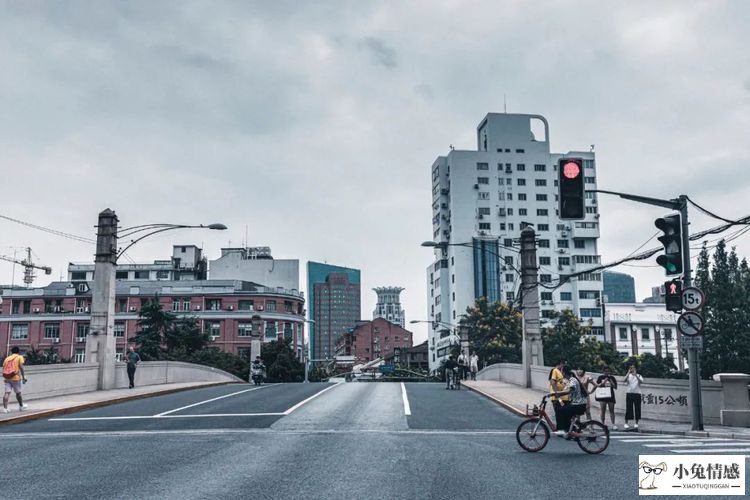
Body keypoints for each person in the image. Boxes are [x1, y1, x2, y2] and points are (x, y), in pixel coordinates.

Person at [551, 366, 587, 437]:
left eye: (561, 372)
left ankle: (561, 429)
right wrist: (557, 394)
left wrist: (556, 393)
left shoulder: (573, 380)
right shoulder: (569, 381)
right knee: (564, 411)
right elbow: (564, 390)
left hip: (578, 405)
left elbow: (568, 391)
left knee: (559, 411)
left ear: (564, 373)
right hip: (576, 404)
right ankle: (570, 429)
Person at [2, 347, 28, 413]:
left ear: (11, 352)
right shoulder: (19, 357)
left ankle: (5, 408)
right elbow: (21, 367)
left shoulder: (7, 358)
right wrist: (23, 377)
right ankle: (21, 406)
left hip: (7, 377)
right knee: (18, 393)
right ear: (18, 351)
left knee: (7, 393)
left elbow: (4, 368)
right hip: (15, 377)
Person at [596, 365, 618, 430]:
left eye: (608, 371)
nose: (607, 372)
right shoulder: (600, 377)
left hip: (610, 396)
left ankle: (613, 424)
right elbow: (598, 385)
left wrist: (610, 380)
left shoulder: (612, 377)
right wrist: (604, 381)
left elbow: (615, 387)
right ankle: (602, 424)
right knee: (603, 410)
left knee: (612, 410)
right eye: (605, 371)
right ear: (603, 371)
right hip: (602, 396)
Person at [548, 359, 568, 428]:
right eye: (564, 364)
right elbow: (552, 382)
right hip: (557, 397)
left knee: (562, 413)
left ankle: (561, 426)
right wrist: (557, 394)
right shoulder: (555, 370)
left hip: (562, 396)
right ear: (561, 363)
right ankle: (559, 427)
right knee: (558, 412)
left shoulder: (560, 372)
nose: (565, 366)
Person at [623, 365, 644, 430]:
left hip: (637, 393)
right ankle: (626, 423)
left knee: (637, 408)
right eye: (631, 368)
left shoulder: (639, 375)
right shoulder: (628, 375)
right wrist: (628, 373)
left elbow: (641, 382)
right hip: (629, 393)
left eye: (633, 368)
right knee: (628, 408)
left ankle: (636, 423)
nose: (632, 369)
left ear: (636, 369)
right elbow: (624, 380)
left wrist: (636, 375)